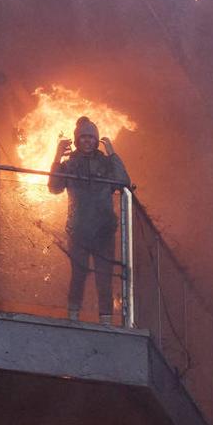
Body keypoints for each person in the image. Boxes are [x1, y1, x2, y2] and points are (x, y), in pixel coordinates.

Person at [48, 116, 130, 325]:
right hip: (78, 230)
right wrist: (57, 156)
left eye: (91, 137)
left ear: (96, 140)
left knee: (104, 277)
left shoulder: (106, 163)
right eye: (83, 137)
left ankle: (106, 322)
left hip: (104, 230)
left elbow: (122, 182)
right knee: (79, 275)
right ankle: (73, 318)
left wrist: (112, 152)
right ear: (77, 140)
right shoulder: (70, 165)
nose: (87, 141)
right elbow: (54, 187)